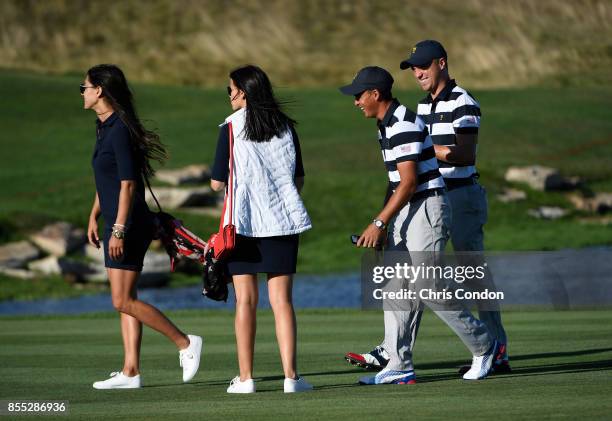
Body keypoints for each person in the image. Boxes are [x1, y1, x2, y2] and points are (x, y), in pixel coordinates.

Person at [346, 41, 510, 374]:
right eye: (413, 68)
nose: (418, 72)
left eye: (423, 66)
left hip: (459, 194)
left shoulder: (463, 102)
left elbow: (465, 154)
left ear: (442, 64)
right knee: (408, 278)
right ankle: (396, 353)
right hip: (421, 196)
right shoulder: (417, 110)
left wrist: (418, 148)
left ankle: (495, 346)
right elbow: (403, 173)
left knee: (471, 274)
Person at [83, 64, 202, 389]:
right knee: (126, 297)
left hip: (129, 223)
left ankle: (185, 343)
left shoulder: (119, 129)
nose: (83, 93)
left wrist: (119, 228)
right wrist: (94, 214)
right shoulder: (104, 126)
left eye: (85, 87)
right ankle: (130, 371)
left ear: (100, 91)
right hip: (114, 220)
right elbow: (104, 178)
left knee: (122, 301)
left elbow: (127, 185)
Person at [210, 65, 313, 394]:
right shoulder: (286, 126)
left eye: (229, 90)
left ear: (242, 91)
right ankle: (291, 378)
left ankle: (246, 379)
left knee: (245, 302)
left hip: (243, 223)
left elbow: (216, 182)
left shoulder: (230, 127)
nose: (228, 96)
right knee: (282, 302)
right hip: (282, 223)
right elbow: (298, 179)